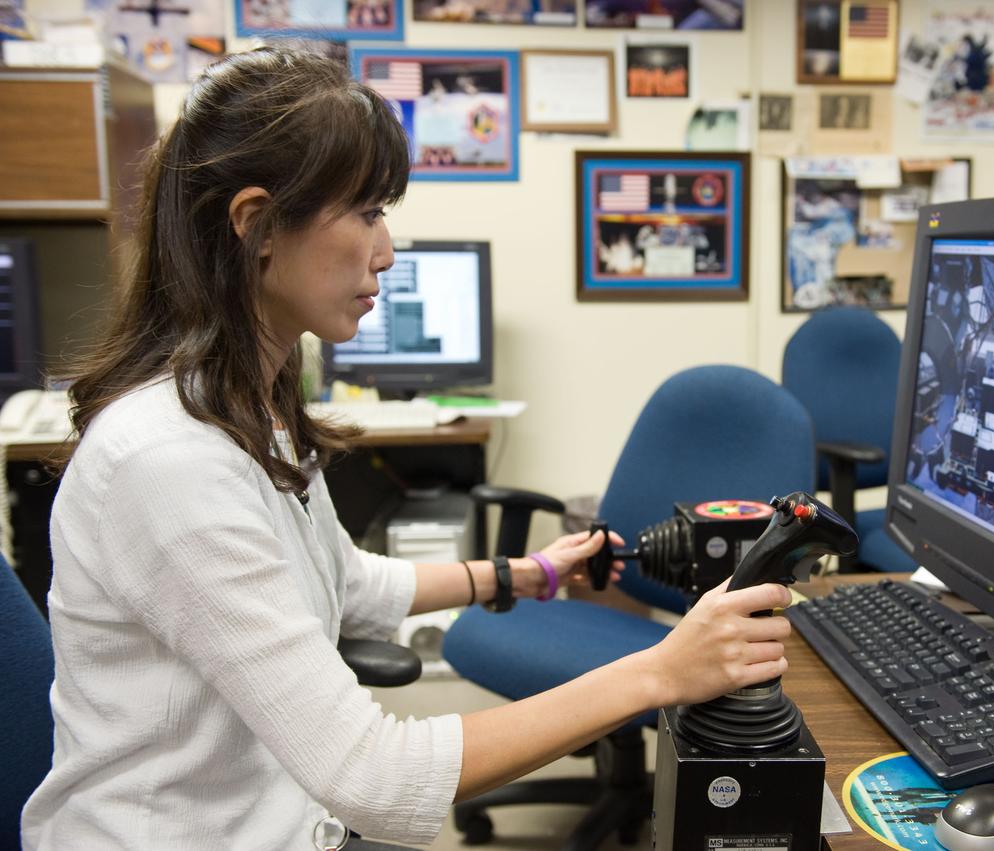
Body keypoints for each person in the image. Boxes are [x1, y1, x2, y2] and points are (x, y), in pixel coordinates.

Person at [20, 47, 795, 849]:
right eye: (365, 212)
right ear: (254, 225)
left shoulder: (248, 407)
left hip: (279, 816)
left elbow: (342, 579)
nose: (387, 250)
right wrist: (662, 670)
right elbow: (374, 772)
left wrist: (522, 573)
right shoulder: (168, 459)